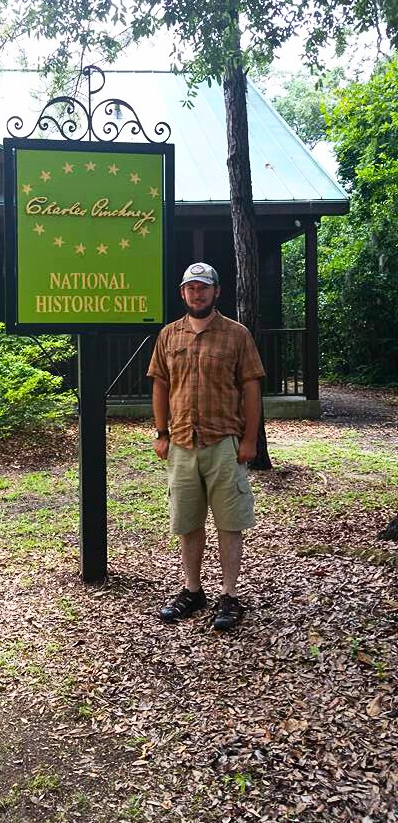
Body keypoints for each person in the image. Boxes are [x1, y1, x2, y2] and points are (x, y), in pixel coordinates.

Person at [147, 262, 265, 631]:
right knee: (188, 521)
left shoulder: (237, 335)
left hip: (223, 442)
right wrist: (161, 432)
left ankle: (229, 595)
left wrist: (248, 440)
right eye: (190, 288)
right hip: (181, 442)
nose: (197, 293)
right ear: (182, 293)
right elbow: (161, 385)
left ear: (216, 292)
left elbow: (250, 387)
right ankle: (192, 590)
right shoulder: (168, 335)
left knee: (230, 523)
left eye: (203, 287)